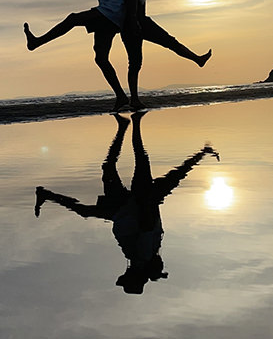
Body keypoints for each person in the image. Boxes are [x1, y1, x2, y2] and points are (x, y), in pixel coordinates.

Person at [34, 111, 219, 294]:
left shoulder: (143, 256)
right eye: (126, 278)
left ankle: (128, 127)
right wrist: (143, 200)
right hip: (132, 203)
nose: (123, 274)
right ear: (133, 276)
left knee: (133, 167)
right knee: (122, 165)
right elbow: (147, 224)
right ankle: (130, 125)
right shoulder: (144, 256)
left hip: (125, 208)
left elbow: (148, 222)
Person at [23, 0, 142, 112]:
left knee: (73, 18)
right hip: (108, 15)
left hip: (109, 14)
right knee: (100, 57)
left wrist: (132, 20)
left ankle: (37, 41)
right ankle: (120, 96)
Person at [120, 0, 212, 109]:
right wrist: (133, 21)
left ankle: (197, 59)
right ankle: (133, 99)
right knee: (135, 62)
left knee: (169, 42)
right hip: (132, 22)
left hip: (142, 20)